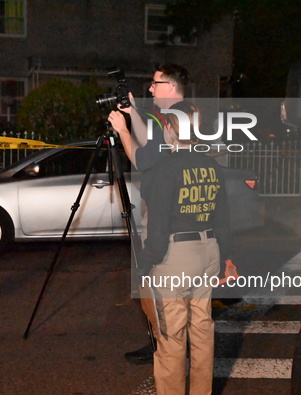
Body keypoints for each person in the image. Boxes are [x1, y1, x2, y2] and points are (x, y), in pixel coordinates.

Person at [139, 102, 230, 394]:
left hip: (176, 257)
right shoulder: (212, 166)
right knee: (202, 331)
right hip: (209, 251)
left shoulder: (165, 168)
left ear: (169, 129)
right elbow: (223, 218)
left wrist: (146, 264)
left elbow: (158, 225)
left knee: (171, 338)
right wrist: (227, 258)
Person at [107, 63, 191, 364]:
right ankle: (166, 341)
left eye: (155, 83)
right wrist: (134, 115)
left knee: (155, 280)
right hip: (178, 210)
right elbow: (151, 143)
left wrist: (121, 130)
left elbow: (142, 158)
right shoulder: (180, 115)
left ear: (170, 86)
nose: (151, 88)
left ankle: (164, 345)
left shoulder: (170, 120)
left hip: (164, 211)